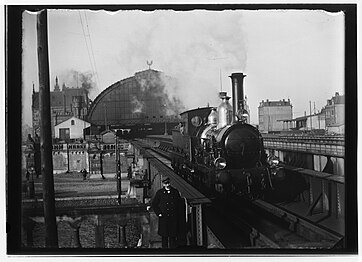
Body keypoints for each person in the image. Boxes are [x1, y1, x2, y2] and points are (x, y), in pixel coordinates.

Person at [151, 176, 182, 248]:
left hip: (173, 219)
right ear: (163, 184)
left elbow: (179, 205)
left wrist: (178, 216)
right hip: (164, 219)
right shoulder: (160, 193)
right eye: (165, 184)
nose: (167, 185)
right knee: (164, 238)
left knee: (173, 238)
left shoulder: (175, 192)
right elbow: (154, 204)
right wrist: (159, 214)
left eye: (168, 183)